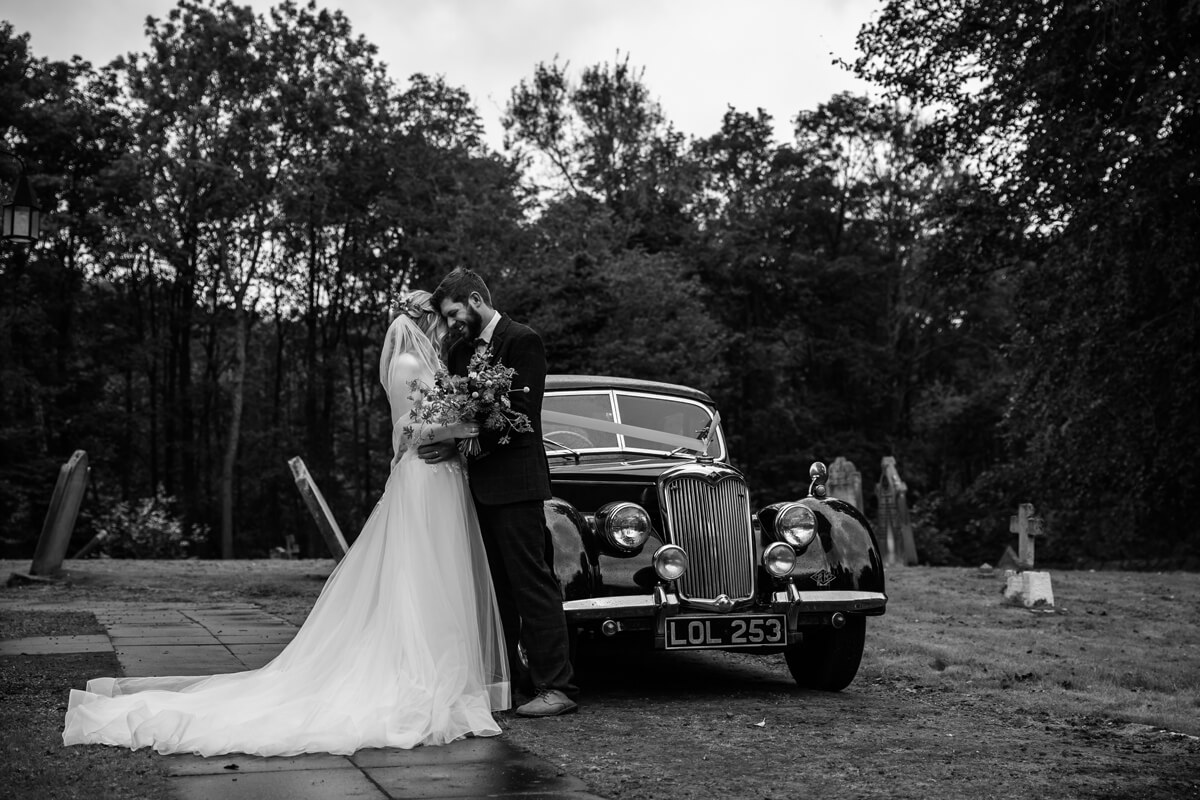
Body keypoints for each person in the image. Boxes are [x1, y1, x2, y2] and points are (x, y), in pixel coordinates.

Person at [61, 291, 510, 757]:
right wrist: (460, 428)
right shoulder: (406, 367)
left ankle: (447, 676)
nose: (448, 325)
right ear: (424, 321)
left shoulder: (433, 362)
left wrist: (463, 425)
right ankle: (419, 679)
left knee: (441, 577)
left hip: (444, 479)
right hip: (422, 482)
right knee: (418, 579)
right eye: (441, 318)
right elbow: (406, 431)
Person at [423, 267, 578, 718]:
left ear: (475, 299)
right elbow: (455, 404)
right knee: (498, 593)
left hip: (517, 485)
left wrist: (460, 436)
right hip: (478, 488)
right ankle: (513, 684)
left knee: (533, 586)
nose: (451, 323)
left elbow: (522, 415)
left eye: (454, 313)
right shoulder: (459, 350)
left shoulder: (522, 340)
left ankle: (558, 687)